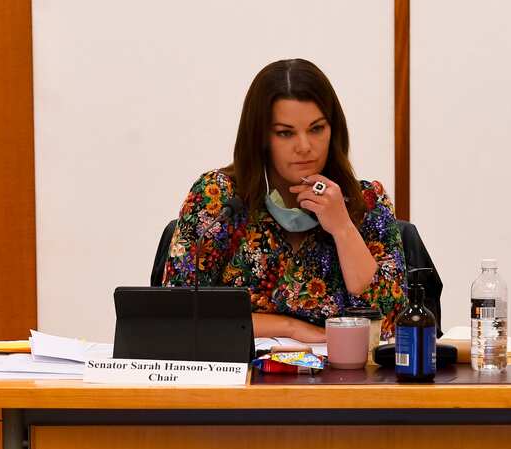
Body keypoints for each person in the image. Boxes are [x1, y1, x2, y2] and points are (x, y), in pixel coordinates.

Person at [161, 58, 406, 341]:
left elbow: (391, 325)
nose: (304, 147)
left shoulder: (366, 202)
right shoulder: (219, 198)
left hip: (340, 379)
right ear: (261, 137)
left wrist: (342, 228)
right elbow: (179, 316)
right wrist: (294, 329)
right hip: (241, 379)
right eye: (285, 133)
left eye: (316, 129)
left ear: (333, 130)